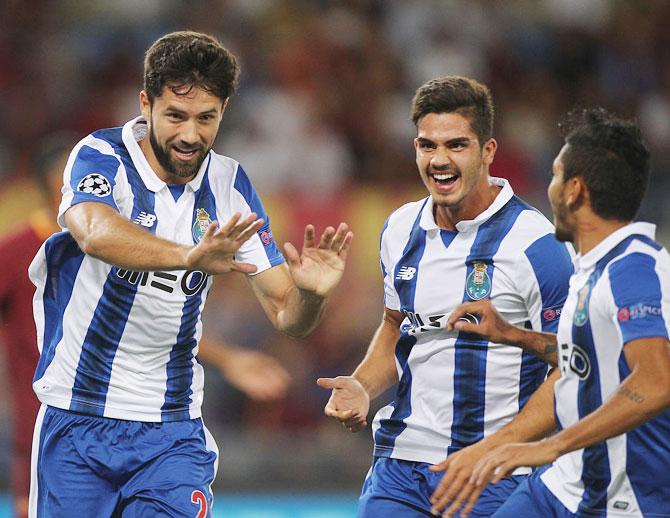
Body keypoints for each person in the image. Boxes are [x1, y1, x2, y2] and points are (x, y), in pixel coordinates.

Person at [27, 31, 353, 518]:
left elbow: (288, 314)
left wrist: (311, 296)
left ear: (224, 109)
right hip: (78, 419)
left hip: (171, 431)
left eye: (206, 118)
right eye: (175, 116)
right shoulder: (101, 156)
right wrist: (187, 256)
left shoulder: (229, 185)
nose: (190, 135)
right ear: (146, 103)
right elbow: (94, 231)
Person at [317, 76, 574, 517]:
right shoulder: (400, 227)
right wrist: (362, 385)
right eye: (426, 146)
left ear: (487, 151)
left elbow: (574, 365)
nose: (439, 160)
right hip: (400, 469)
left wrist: (497, 449)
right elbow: (397, 327)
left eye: (456, 145)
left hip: (495, 474)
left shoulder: (538, 245)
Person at [0, 135, 292, 518]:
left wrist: (227, 358)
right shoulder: (22, 251)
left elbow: (148, 320)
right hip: (58, 422)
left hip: (156, 422)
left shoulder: (132, 241)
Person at [430, 108, 670, 517]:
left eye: (556, 175)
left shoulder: (634, 269)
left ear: (575, 190)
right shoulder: (592, 267)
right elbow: (593, 363)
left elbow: (656, 382)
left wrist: (548, 445)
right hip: (562, 486)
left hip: (626, 500)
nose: (550, 186)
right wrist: (517, 336)